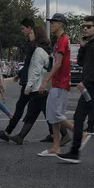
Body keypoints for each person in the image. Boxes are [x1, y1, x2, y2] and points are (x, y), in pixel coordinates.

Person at [57, 15, 94, 166]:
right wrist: (82, 47)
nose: (85, 28)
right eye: (83, 26)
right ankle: (74, 152)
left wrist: (85, 81)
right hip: (91, 88)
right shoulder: (90, 43)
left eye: (89, 26)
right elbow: (82, 62)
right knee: (78, 117)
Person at [5, 26, 54, 144]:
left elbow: (35, 71)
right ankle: (20, 136)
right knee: (33, 113)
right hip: (39, 87)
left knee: (47, 113)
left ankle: (65, 134)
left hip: (38, 88)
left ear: (37, 35)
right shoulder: (42, 50)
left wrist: (28, 87)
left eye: (31, 33)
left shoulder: (38, 51)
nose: (29, 35)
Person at [38, 13, 73, 157]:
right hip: (58, 83)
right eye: (51, 22)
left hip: (61, 83)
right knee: (53, 116)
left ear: (61, 24)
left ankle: (80, 134)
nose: (51, 24)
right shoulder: (59, 40)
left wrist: (45, 80)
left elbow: (58, 64)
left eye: (54, 22)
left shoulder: (63, 40)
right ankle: (56, 146)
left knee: (56, 115)